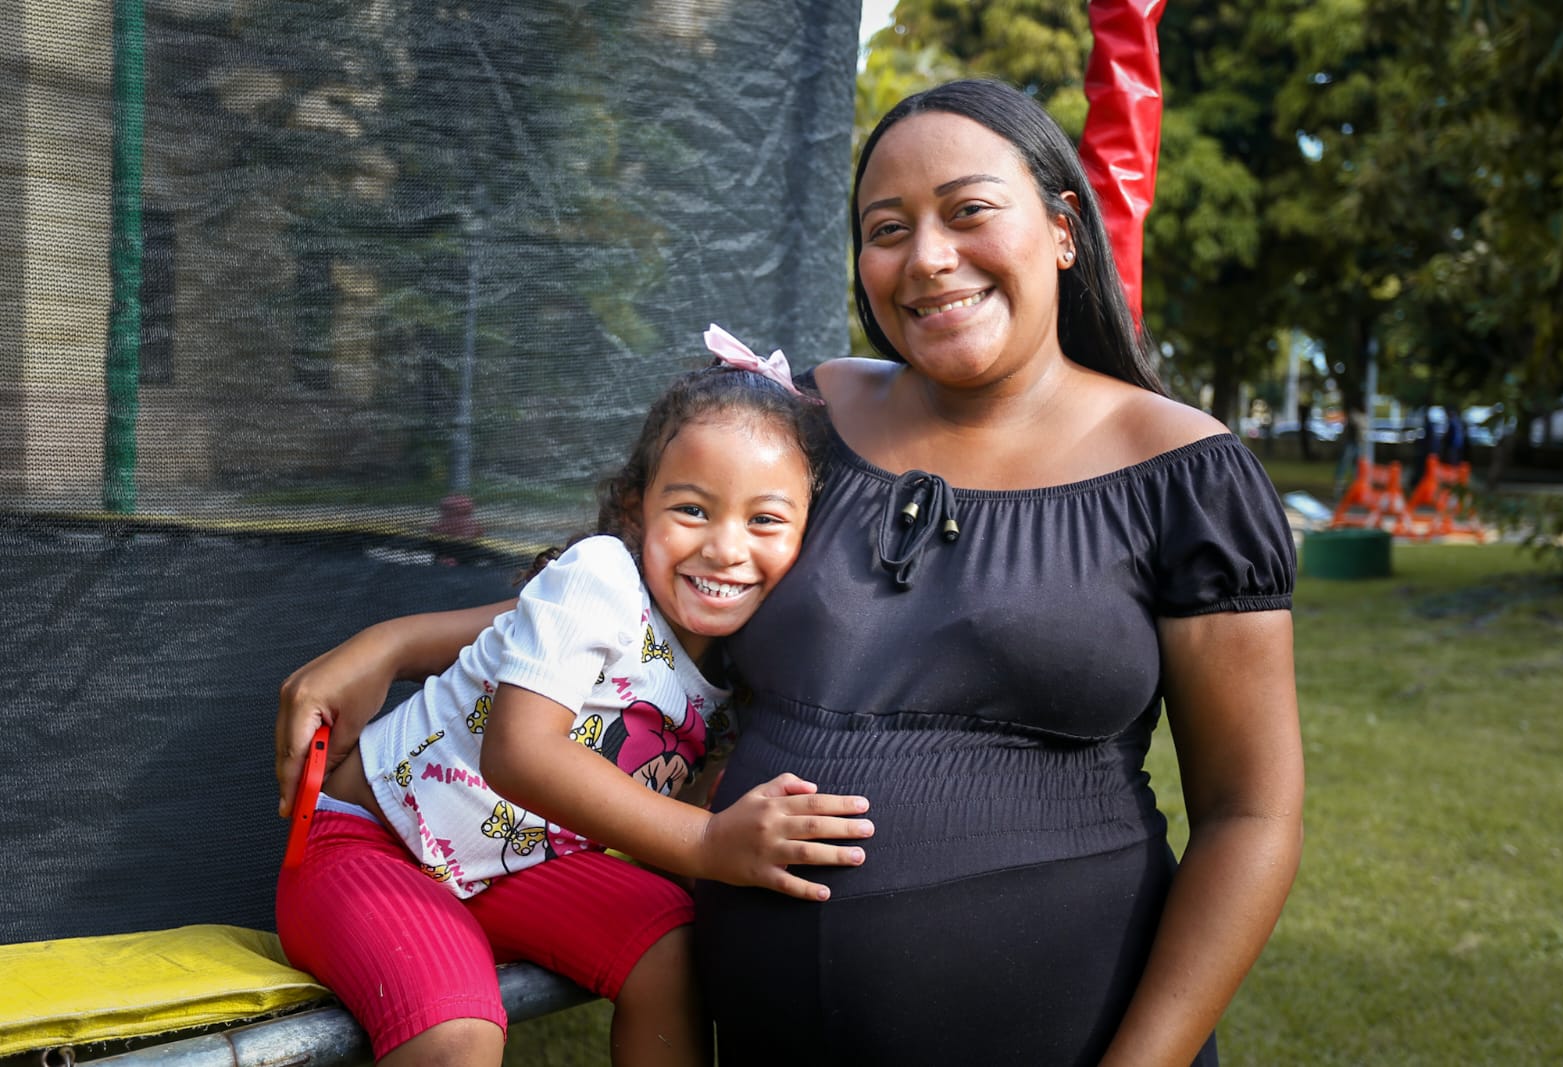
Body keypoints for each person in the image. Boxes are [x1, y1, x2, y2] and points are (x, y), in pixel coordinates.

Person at [279, 78, 1303, 1066]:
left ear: (1065, 228)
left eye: (968, 211)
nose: (928, 257)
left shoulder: (1181, 475)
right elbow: (634, 598)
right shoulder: (806, 420)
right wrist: (395, 642)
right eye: (886, 226)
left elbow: (1250, 813)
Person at [274, 328, 875, 1067]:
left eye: (765, 520)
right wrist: (711, 843)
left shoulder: (744, 658)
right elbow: (520, 753)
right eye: (692, 509)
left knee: (673, 942)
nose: (725, 547)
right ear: (635, 509)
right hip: (372, 844)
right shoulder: (600, 578)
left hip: (515, 866)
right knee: (455, 1023)